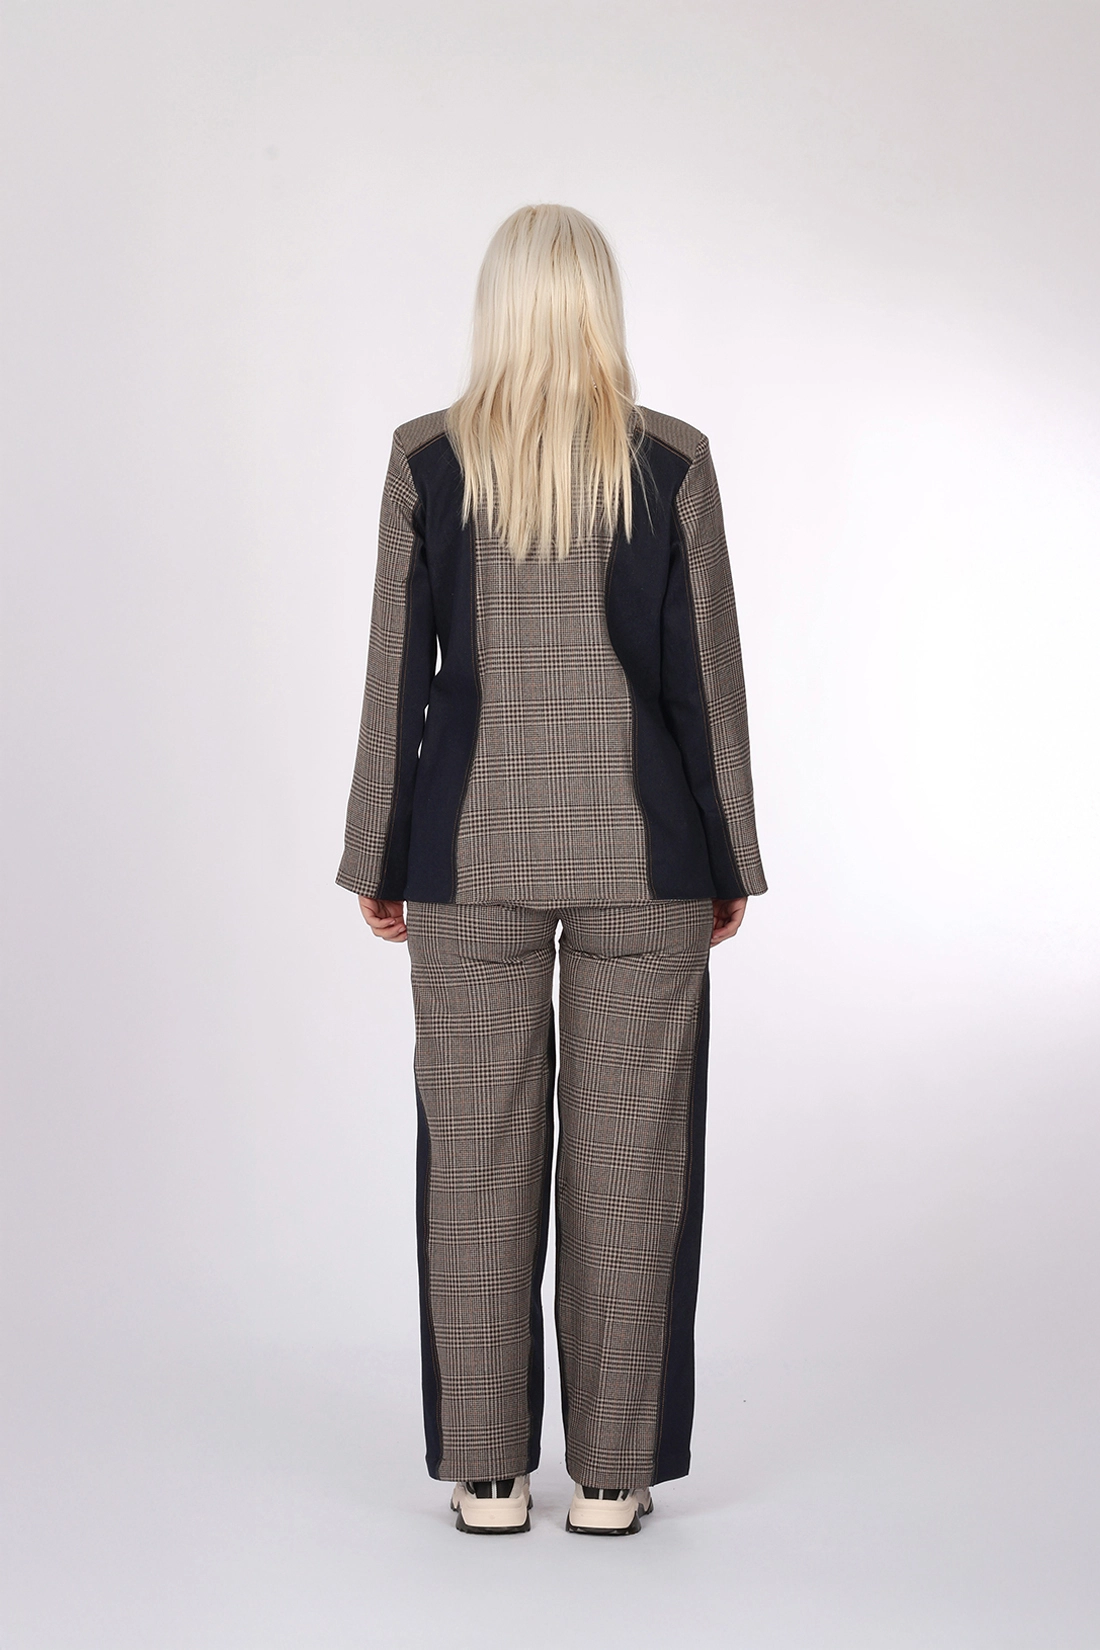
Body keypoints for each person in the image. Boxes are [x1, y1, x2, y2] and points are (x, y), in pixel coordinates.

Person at [337, 204, 766, 1537]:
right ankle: (613, 1477)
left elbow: (396, 680)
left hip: (467, 856)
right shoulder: (670, 461)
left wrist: (378, 851)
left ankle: (486, 1475)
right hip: (646, 857)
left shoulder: (429, 462)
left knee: (475, 1159)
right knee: (632, 1161)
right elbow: (704, 685)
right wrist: (728, 856)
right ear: (598, 307)